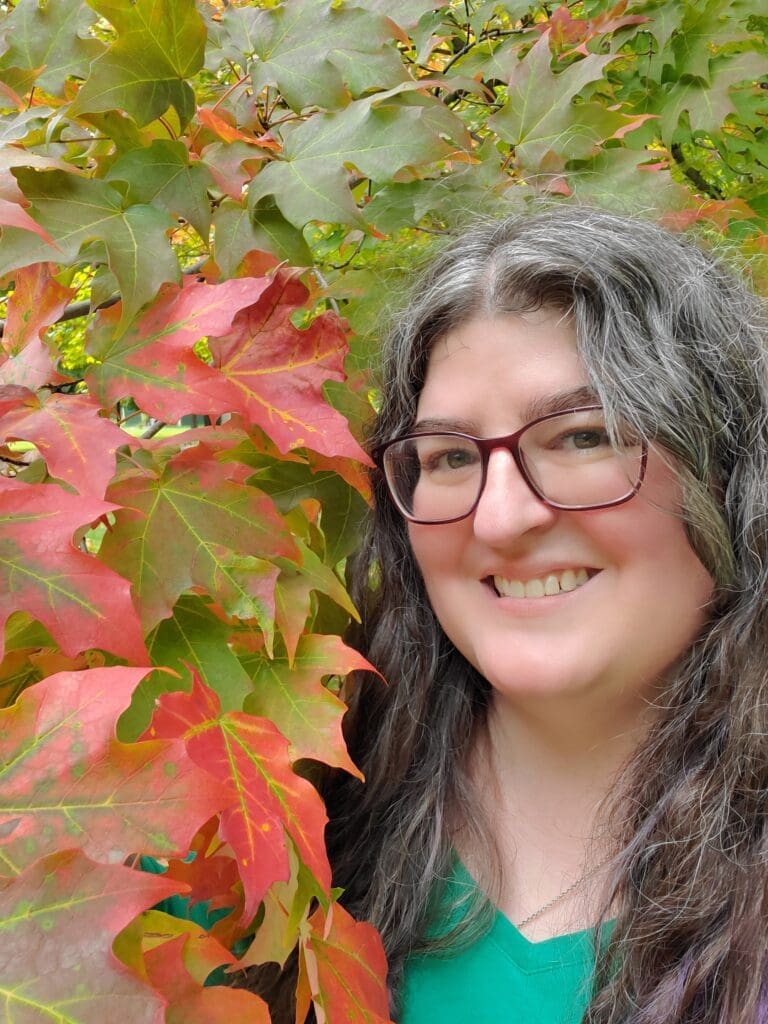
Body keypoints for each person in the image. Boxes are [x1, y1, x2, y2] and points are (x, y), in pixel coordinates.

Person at [316, 205, 768, 1024]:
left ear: (727, 468)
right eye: (450, 456)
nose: (500, 518)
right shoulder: (279, 834)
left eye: (582, 437)